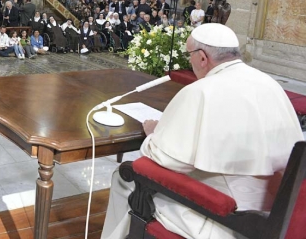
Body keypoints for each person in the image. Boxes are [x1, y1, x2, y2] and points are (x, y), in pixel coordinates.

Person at [101, 23, 304, 239]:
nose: (190, 62)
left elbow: (165, 159)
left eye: (189, 56)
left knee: (125, 176)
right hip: (274, 211)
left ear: (202, 57)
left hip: (226, 218)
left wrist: (153, 134)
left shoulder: (202, 91)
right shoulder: (269, 84)